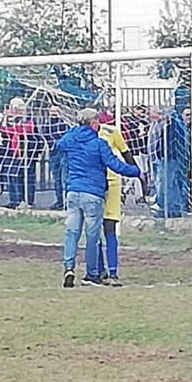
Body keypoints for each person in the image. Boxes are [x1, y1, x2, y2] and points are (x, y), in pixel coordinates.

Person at [56, 107, 141, 288]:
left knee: (72, 233)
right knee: (92, 236)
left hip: (73, 192)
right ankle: (91, 274)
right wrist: (135, 172)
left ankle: (69, 268)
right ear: (94, 123)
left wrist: (75, 129)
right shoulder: (99, 143)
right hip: (93, 193)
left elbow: (59, 145)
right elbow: (115, 164)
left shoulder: (70, 139)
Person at [95, 110, 135, 285]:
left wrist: (139, 174)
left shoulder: (112, 132)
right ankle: (98, 270)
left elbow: (126, 154)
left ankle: (113, 272)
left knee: (109, 227)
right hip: (93, 185)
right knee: (93, 229)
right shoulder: (82, 135)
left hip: (111, 184)